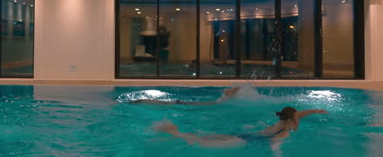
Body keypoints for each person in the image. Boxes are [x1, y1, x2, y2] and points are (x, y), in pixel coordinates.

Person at [155, 106, 328, 153]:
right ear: (291, 120)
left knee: (204, 137)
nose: (300, 118)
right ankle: (173, 132)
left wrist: (316, 111)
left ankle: (171, 132)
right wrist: (279, 154)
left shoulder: (285, 120)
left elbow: (299, 113)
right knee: (203, 144)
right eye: (297, 117)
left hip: (245, 135)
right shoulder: (285, 131)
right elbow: (275, 143)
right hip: (244, 141)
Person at [130, 87, 241, 105]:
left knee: (208, 105)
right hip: (180, 103)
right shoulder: (220, 102)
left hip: (180, 104)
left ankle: (140, 101)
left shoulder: (220, 103)